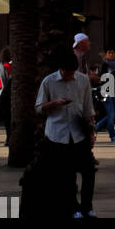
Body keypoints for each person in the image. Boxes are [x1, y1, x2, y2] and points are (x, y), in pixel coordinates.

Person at [35, 47, 97, 218]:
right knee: (66, 175)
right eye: (66, 72)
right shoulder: (49, 82)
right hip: (58, 134)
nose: (69, 76)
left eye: (72, 72)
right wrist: (54, 103)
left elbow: (88, 109)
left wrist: (91, 132)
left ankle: (87, 207)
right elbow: (39, 108)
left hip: (79, 132)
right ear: (60, 69)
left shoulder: (83, 81)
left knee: (88, 172)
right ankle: (73, 207)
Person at [95, 48, 115, 142]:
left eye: (113, 53)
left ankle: (96, 127)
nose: (111, 54)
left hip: (114, 92)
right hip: (106, 92)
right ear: (106, 54)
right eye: (109, 53)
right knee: (111, 114)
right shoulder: (104, 65)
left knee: (112, 115)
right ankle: (112, 135)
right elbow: (102, 79)